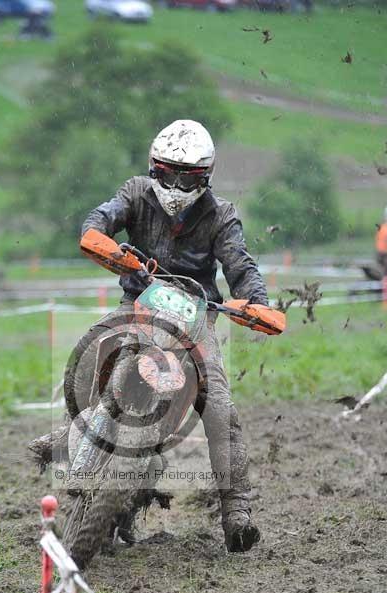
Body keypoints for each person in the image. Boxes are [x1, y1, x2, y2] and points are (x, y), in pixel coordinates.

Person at [38, 120, 272, 554]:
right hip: (137, 304)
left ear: (205, 177)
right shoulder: (135, 193)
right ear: (154, 168)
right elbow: (102, 216)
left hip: (197, 317)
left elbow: (240, 265)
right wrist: (99, 238)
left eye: (188, 177)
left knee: (219, 407)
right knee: (91, 346)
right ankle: (69, 427)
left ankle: (236, 511)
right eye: (168, 173)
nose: (177, 185)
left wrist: (254, 301)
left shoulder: (221, 215)